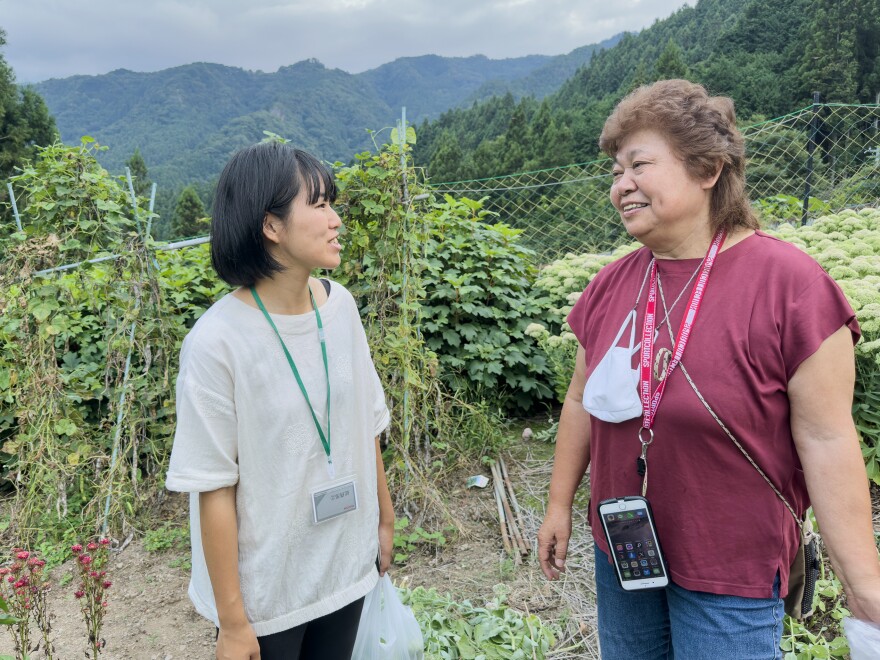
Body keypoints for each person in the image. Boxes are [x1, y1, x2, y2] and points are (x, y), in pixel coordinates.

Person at [537, 79, 880, 658]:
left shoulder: (791, 288)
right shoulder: (610, 285)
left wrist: (864, 586)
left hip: (732, 566)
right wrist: (558, 503)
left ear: (708, 169)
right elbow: (579, 400)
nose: (621, 185)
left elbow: (827, 439)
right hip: (625, 549)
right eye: (616, 172)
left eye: (639, 165)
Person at [165, 141, 394, 660]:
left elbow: (366, 426)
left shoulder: (343, 309)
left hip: (343, 566)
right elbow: (213, 486)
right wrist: (233, 622)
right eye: (319, 205)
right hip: (267, 592)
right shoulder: (216, 342)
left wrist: (383, 522)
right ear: (271, 226)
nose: (336, 220)